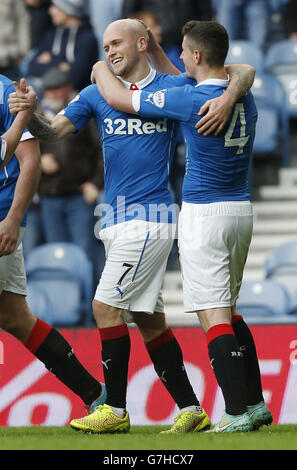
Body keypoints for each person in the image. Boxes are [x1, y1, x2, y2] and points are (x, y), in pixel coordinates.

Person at [9, 18, 256, 434]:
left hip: (152, 217)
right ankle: (191, 408)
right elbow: (52, 132)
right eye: (105, 47)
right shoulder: (95, 94)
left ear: (143, 43)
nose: (109, 52)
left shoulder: (173, 89)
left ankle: (115, 410)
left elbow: (238, 72)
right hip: (115, 219)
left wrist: (230, 92)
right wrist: (32, 114)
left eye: (117, 43)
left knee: (105, 307)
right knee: (148, 319)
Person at [90, 19, 273, 433]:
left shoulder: (188, 100)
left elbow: (120, 98)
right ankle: (257, 404)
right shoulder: (243, 97)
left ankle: (236, 412)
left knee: (214, 315)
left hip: (204, 216)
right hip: (240, 211)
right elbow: (242, 72)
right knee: (231, 309)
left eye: (184, 52)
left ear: (195, 56)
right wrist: (154, 48)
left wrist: (99, 69)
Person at [0, 73, 106, 415]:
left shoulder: (8, 94)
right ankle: (95, 394)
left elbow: (28, 161)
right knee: (16, 318)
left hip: (1, 216)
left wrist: (14, 219)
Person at [35, 67, 105, 286]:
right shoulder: (36, 115)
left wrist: (95, 183)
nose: (52, 94)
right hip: (49, 196)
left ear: (67, 90)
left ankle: (88, 308)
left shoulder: (81, 112)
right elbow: (22, 153)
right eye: (48, 90)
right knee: (57, 254)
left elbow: (104, 151)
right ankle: (66, 308)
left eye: (57, 90)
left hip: (79, 195)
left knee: (84, 252)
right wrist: (39, 161)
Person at [25, 0, 98, 95]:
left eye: (55, 7)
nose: (50, 11)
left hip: (76, 96)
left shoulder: (87, 39)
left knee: (34, 87)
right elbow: (32, 66)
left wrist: (50, 61)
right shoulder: (52, 35)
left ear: (68, 10)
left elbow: (75, 77)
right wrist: (61, 65)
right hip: (50, 93)